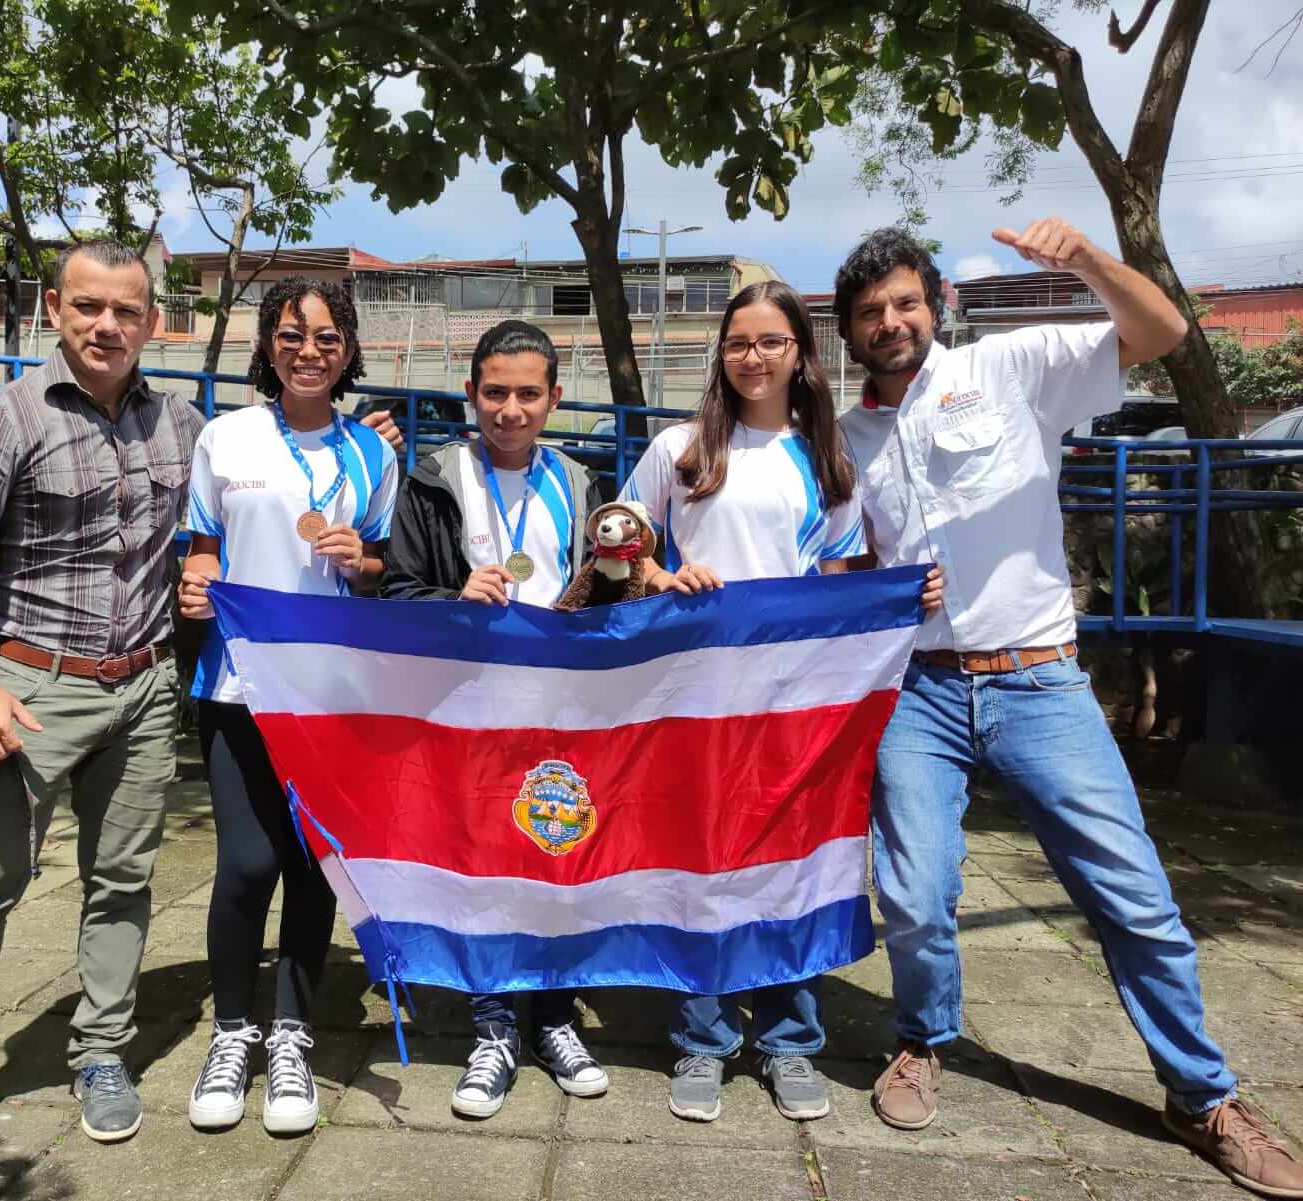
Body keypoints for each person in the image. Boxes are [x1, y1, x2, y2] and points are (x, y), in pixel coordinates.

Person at [837, 220, 1303, 1197]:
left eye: (905, 302)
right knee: (914, 898)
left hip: (1037, 680)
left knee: (1134, 897)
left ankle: (1200, 1094)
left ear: (935, 308)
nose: (890, 321)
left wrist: (1087, 261)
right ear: (849, 332)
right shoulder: (847, 439)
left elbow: (1164, 331)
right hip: (916, 689)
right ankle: (923, 1040)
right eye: (870, 311)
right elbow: (836, 557)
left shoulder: (1013, 365)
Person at [0, 240, 200, 1167]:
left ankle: (101, 1051)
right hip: (25, 687)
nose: (108, 326)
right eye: (90, 307)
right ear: (57, 307)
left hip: (142, 685)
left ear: (152, 320)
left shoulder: (179, 423)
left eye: (127, 311)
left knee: (124, 883)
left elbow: (227, 517)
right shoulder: (4, 417)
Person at [619, 280, 945, 1126]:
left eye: (770, 341)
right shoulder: (680, 448)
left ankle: (792, 1039)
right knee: (702, 866)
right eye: (737, 342)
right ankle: (702, 1034)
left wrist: (902, 599)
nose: (752, 357)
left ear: (800, 352)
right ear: (719, 354)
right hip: (692, 701)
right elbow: (621, 540)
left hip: (792, 709)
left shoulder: (824, 459)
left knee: (797, 867)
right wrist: (660, 573)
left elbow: (837, 589)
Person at [176, 277, 399, 1136]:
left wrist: (361, 562)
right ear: (266, 343)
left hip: (332, 695)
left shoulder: (375, 453)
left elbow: (384, 567)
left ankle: (294, 1036)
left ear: (349, 348)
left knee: (313, 867)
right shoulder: (224, 438)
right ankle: (233, 1033)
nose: (309, 350)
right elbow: (203, 553)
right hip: (237, 687)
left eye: (328, 335)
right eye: (291, 333)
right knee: (245, 866)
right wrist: (195, 587)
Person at [380, 319, 610, 1119]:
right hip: (470, 713)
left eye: (528, 393)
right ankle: (491, 1024)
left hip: (560, 711)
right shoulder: (435, 480)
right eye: (495, 392)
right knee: (481, 864)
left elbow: (606, 592)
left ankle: (553, 1017)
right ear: (471, 393)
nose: (510, 408)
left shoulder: (580, 485)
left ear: (552, 398)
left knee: (561, 858)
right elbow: (399, 593)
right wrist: (456, 597)